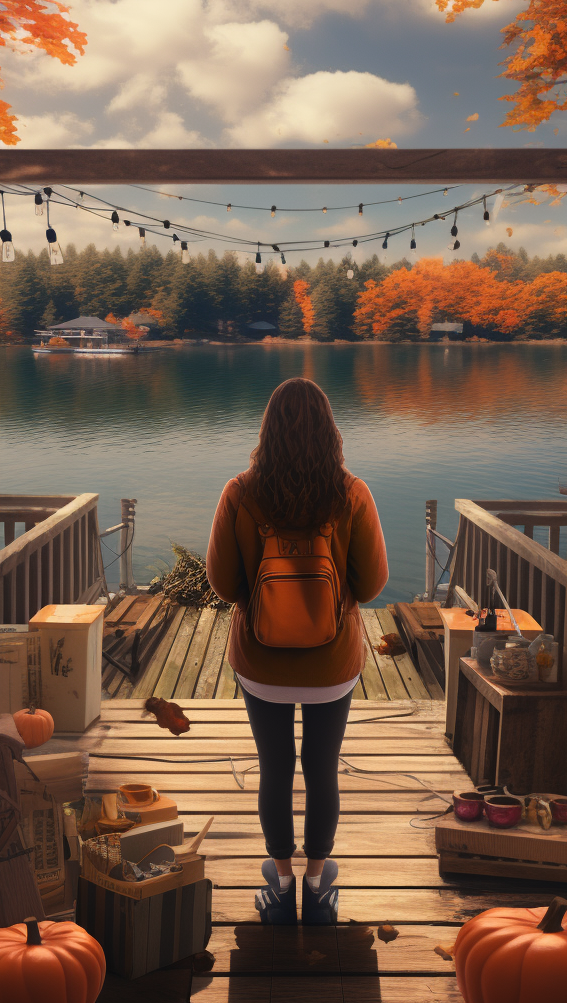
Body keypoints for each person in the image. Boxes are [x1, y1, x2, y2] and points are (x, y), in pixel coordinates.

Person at [206, 378, 388, 925]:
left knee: (275, 765)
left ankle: (280, 883)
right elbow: (374, 583)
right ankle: (319, 884)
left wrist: (262, 604)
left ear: (266, 430)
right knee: (321, 764)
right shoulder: (351, 492)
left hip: (262, 665)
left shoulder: (240, 492)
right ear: (331, 431)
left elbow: (221, 582)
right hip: (331, 664)